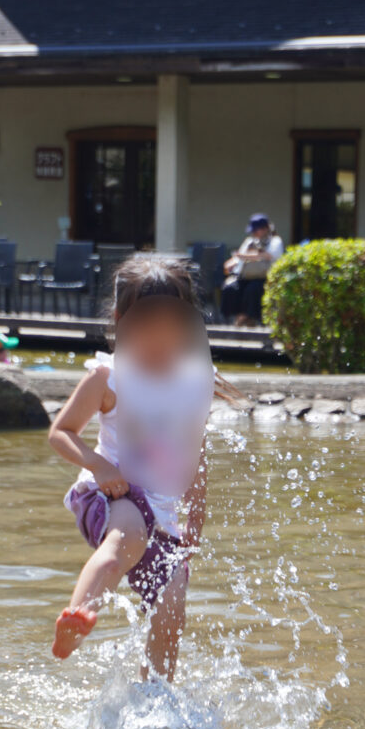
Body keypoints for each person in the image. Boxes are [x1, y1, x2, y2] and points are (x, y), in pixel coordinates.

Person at [49, 255, 237, 682]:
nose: (156, 340)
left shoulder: (198, 380)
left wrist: (196, 519)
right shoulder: (108, 377)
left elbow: (196, 449)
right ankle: (77, 618)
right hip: (114, 493)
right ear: (120, 323)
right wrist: (97, 465)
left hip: (166, 510)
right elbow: (61, 433)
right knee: (126, 540)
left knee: (172, 607)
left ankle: (153, 698)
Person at [220, 214, 284, 327]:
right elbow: (238, 258)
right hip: (245, 277)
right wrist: (230, 264)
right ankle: (235, 317)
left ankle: (245, 318)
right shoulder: (249, 241)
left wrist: (246, 256)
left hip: (263, 278)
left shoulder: (275, 241)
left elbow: (269, 255)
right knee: (230, 288)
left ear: (265, 229)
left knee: (253, 290)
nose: (253, 233)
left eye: (256, 230)